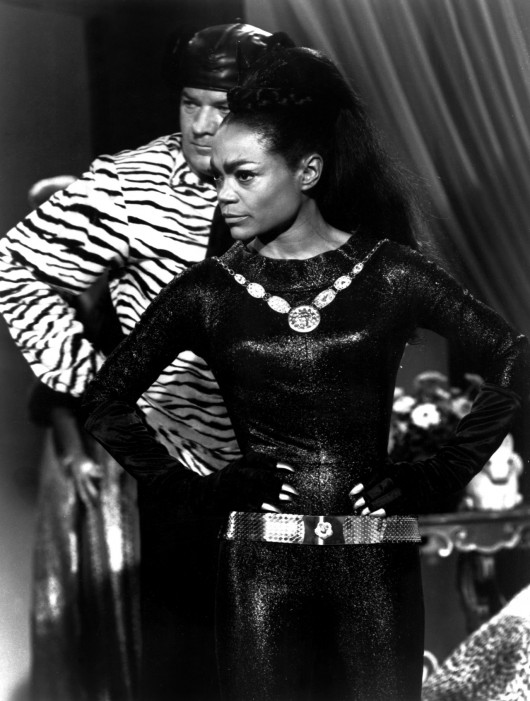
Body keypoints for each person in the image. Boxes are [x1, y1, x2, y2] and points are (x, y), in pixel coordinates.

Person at [83, 46, 530, 701]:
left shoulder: (392, 273)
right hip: (259, 570)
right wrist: (194, 490)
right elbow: (106, 402)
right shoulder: (206, 292)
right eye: (217, 177)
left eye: (244, 175)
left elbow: (515, 358)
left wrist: (438, 473)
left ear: (308, 170)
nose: (223, 195)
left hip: (376, 565)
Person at [0, 23, 295, 701]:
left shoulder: (305, 180)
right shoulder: (130, 185)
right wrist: (102, 387)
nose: (201, 125)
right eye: (191, 103)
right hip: (184, 481)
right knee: (188, 673)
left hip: (294, 479)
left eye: (222, 107)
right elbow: (16, 267)